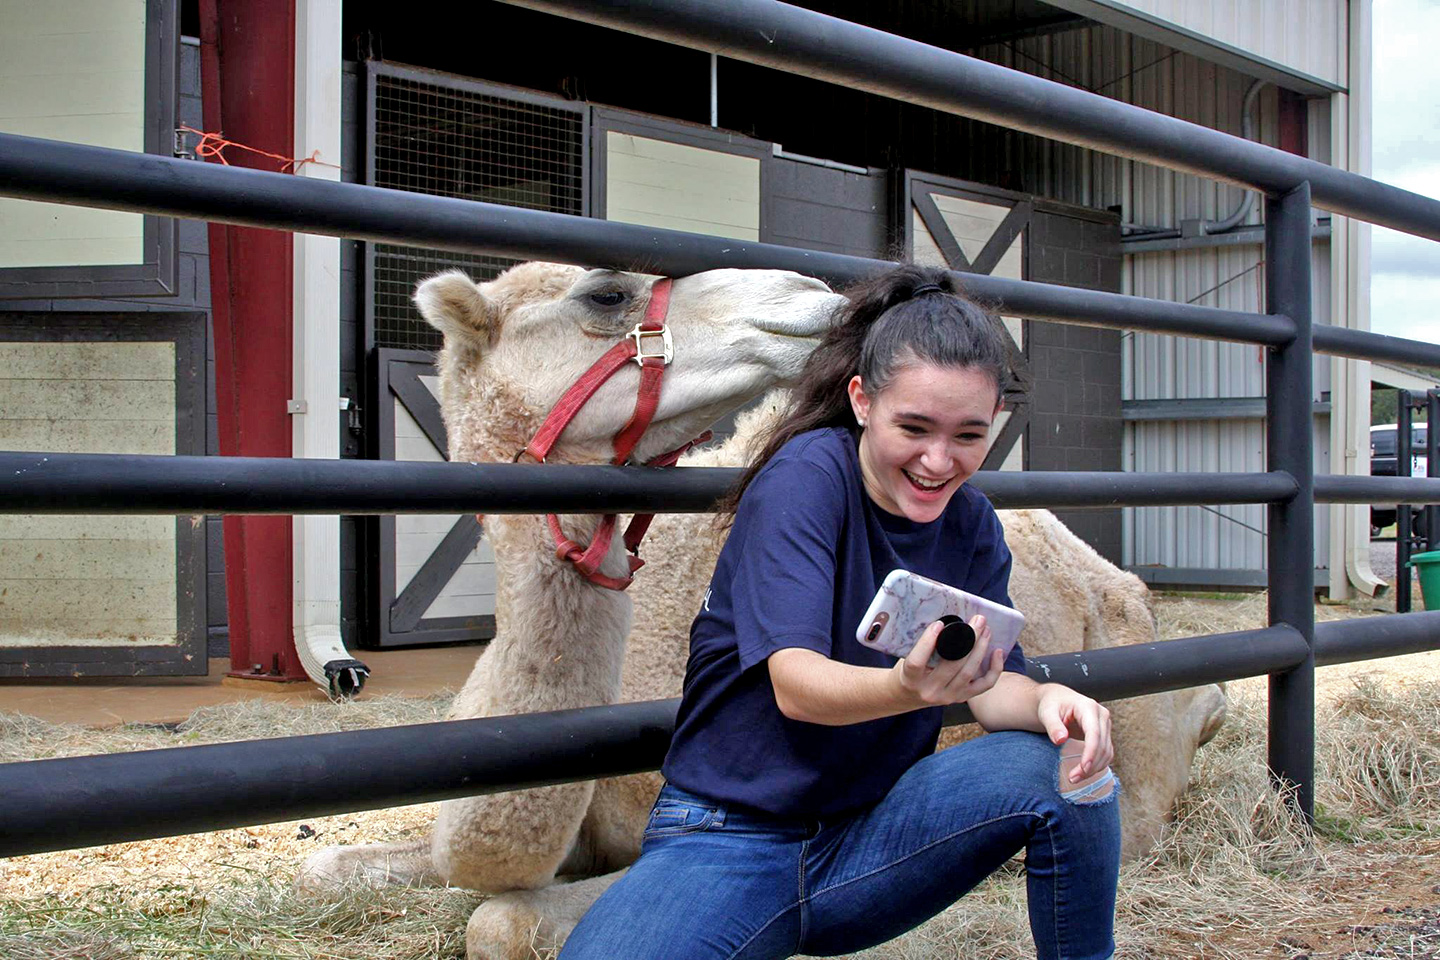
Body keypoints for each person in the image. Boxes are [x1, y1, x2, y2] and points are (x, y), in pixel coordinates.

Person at [560, 265, 1122, 960]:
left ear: (995, 423)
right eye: (913, 427)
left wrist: (1049, 700)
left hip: (871, 840)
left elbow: (991, 679)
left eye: (968, 436)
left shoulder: (972, 523)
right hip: (728, 839)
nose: (937, 461)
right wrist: (904, 688)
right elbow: (797, 688)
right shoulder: (806, 478)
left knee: (1073, 768)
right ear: (861, 400)